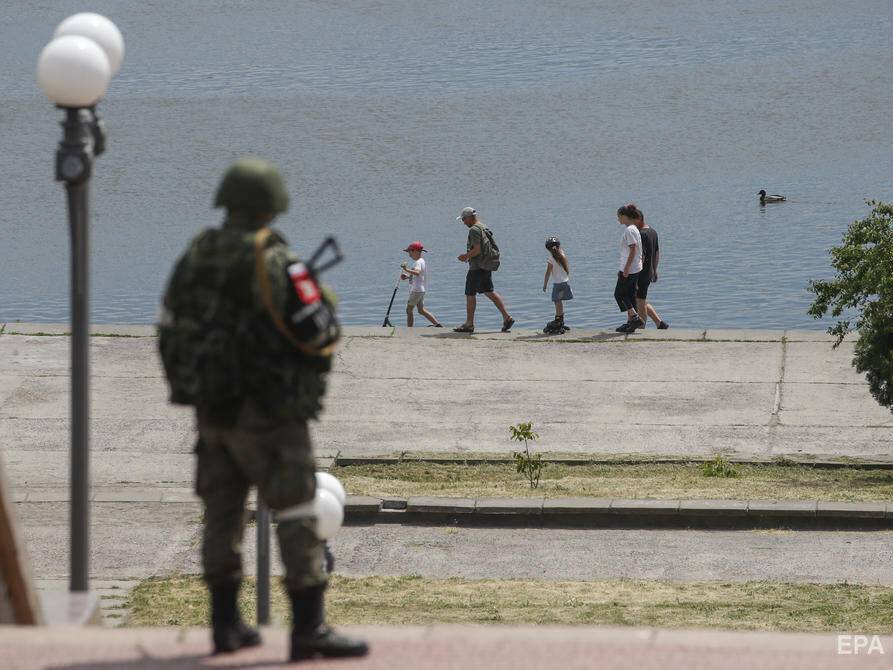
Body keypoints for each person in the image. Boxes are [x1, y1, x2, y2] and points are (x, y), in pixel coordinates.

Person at [158, 158, 368, 662]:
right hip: (270, 413)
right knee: (296, 508)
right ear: (272, 205)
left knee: (221, 512)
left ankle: (226, 627)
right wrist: (325, 295)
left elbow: (170, 324)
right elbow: (319, 330)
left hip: (212, 409)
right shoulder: (275, 261)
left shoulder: (196, 253)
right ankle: (308, 630)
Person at [454, 206, 514, 333]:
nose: (463, 222)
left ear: (470, 217)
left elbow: (477, 250)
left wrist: (465, 256)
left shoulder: (474, 230)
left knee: (470, 294)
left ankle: (469, 324)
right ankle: (507, 317)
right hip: (485, 265)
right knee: (489, 291)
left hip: (477, 267)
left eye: (464, 219)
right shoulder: (483, 226)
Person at [628, 206, 669, 330]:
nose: (631, 225)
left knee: (638, 301)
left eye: (632, 221)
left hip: (640, 273)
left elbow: (642, 256)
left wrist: (633, 274)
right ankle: (659, 323)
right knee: (639, 299)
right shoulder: (653, 231)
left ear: (639, 219)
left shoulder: (642, 235)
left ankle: (641, 329)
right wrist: (655, 270)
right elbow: (657, 253)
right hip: (649, 271)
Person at [614, 204, 644, 333]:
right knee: (630, 295)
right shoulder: (634, 229)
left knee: (619, 294)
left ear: (624, 216)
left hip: (630, 269)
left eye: (618, 217)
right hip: (634, 267)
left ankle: (635, 318)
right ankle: (631, 322)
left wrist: (625, 269)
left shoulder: (629, 230)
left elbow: (633, 250)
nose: (618, 219)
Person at [400, 241, 442, 327]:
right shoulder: (421, 261)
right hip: (421, 290)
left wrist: (406, 269)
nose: (409, 254)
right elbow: (418, 276)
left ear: (415, 251)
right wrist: (408, 276)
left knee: (409, 309)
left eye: (410, 252)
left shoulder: (418, 262)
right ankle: (437, 324)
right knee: (421, 310)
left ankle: (409, 329)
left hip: (416, 290)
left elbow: (417, 272)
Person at [542, 237, 573, 334]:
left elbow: (547, 273)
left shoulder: (551, 259)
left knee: (557, 302)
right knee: (560, 302)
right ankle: (560, 320)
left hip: (558, 284)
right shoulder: (562, 254)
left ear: (548, 249)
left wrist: (545, 285)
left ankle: (558, 320)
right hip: (566, 282)